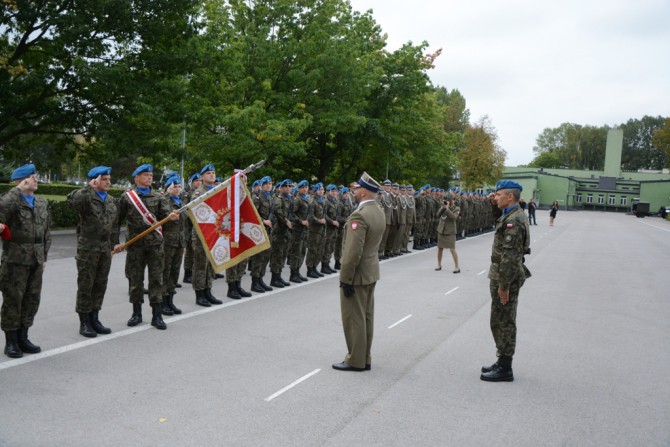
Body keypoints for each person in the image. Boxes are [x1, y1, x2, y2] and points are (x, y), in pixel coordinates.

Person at [333, 172, 385, 372]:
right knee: (366, 316)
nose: (353, 192)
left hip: (357, 274)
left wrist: (345, 278)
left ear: (363, 192)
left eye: (356, 189)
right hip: (371, 271)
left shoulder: (359, 215)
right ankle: (365, 356)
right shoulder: (378, 211)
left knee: (354, 318)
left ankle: (355, 360)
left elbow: (353, 252)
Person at [116, 164, 179, 330]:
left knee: (156, 279)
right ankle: (136, 313)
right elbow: (116, 220)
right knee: (135, 280)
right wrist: (115, 241)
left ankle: (157, 315)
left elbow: (166, 213)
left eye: (150, 175)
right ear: (136, 178)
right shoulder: (127, 197)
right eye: (145, 175)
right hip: (135, 245)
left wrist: (171, 216)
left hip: (155, 245)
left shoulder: (158, 197)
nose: (149, 177)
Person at [481, 180, 531, 382]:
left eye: (499, 194)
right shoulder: (510, 215)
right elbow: (498, 225)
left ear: (510, 196)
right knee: (499, 319)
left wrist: (504, 285)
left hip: (505, 276)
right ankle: (502, 360)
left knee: (504, 321)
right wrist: (494, 204)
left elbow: (510, 256)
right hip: (501, 273)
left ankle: (505, 367)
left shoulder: (515, 220)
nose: (495, 196)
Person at [0, 164, 51, 358]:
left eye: (35, 176)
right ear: (21, 180)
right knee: (13, 300)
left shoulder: (41, 203)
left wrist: (44, 257)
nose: (36, 179)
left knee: (31, 299)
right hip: (15, 260)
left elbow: (47, 232)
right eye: (31, 176)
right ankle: (11, 341)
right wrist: (17, 190)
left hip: (36, 260)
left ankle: (23, 337)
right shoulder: (10, 200)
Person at [66, 166, 119, 338]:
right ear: (95, 180)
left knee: (100, 284)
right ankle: (84, 321)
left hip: (104, 248)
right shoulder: (86, 197)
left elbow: (114, 225)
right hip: (88, 247)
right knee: (86, 285)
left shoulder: (111, 200)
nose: (108, 182)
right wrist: (89, 187)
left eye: (109, 179)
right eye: (104, 179)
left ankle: (95, 318)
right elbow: (72, 200)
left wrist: (115, 243)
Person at [191, 164, 224, 306]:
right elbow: (196, 213)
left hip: (214, 233)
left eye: (213, 173)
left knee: (210, 264)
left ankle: (208, 290)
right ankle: (199, 293)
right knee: (200, 264)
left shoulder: (217, 191)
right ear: (202, 176)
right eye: (209, 173)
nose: (212, 175)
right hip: (201, 234)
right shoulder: (199, 193)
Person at [160, 175, 186, 315]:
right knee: (165, 271)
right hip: (167, 242)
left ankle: (170, 300)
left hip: (179, 241)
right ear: (168, 187)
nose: (177, 189)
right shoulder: (164, 201)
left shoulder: (181, 201)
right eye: (174, 186)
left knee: (174, 272)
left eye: (179, 186)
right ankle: (163, 302)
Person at [435, 197, 460, 273]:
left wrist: (447, 209)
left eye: (450, 200)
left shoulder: (457, 208)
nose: (448, 202)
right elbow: (437, 215)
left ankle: (457, 267)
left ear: (454, 201)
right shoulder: (443, 207)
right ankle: (439, 265)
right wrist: (443, 207)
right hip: (442, 230)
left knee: (452, 249)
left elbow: (454, 217)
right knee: (440, 248)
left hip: (450, 232)